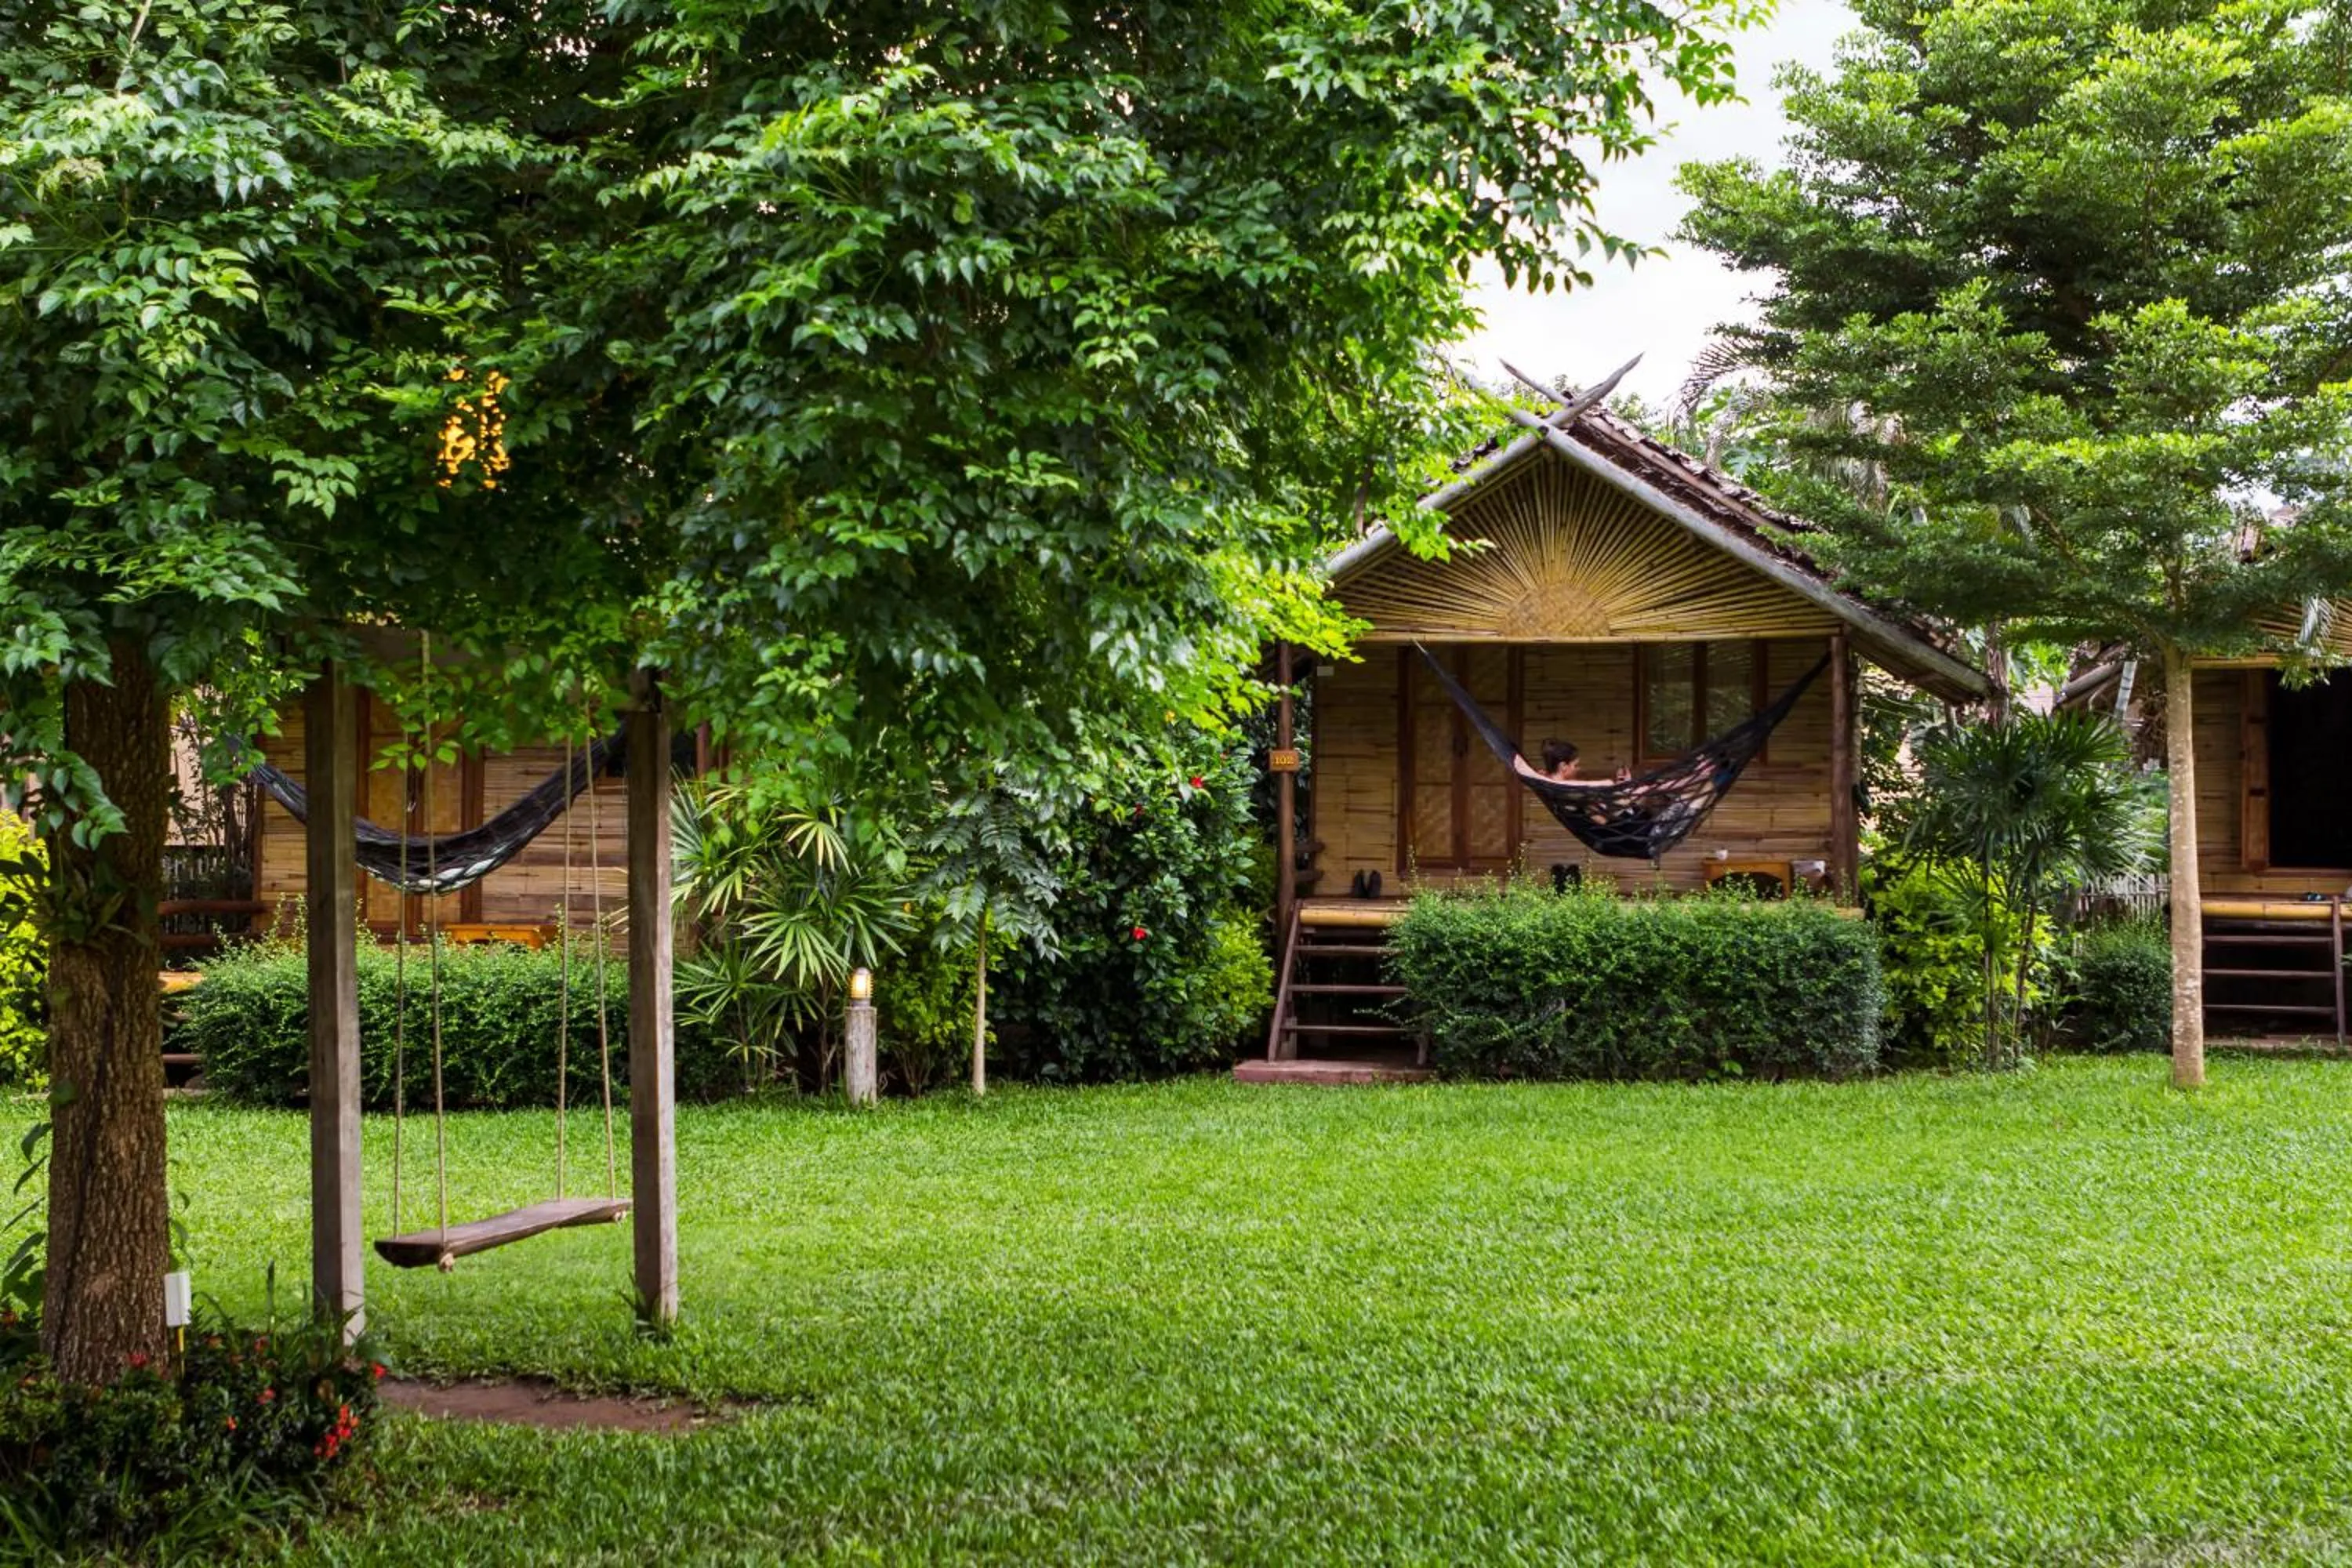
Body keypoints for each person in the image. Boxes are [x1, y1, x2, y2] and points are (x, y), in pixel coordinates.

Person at [1514, 737, 1629, 788]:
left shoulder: (1545, 780)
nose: (1578, 768)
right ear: (1563, 766)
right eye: (1575, 765)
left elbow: (1521, 766)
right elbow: (1606, 784)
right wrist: (1611, 784)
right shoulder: (1561, 787)